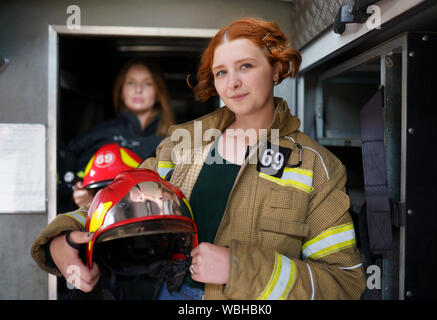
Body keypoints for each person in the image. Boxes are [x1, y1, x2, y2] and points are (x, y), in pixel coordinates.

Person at [31, 17, 366, 300]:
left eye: (246, 66)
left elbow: (344, 282)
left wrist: (239, 268)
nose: (232, 82)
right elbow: (118, 200)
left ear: (277, 68)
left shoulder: (314, 165)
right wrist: (64, 237)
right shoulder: (183, 143)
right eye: (221, 72)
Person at [59, 58, 175, 210]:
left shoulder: (171, 141)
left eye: (147, 83)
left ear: (158, 92)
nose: (138, 89)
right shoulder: (98, 133)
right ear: (121, 91)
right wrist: (77, 197)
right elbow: (66, 175)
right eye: (131, 82)